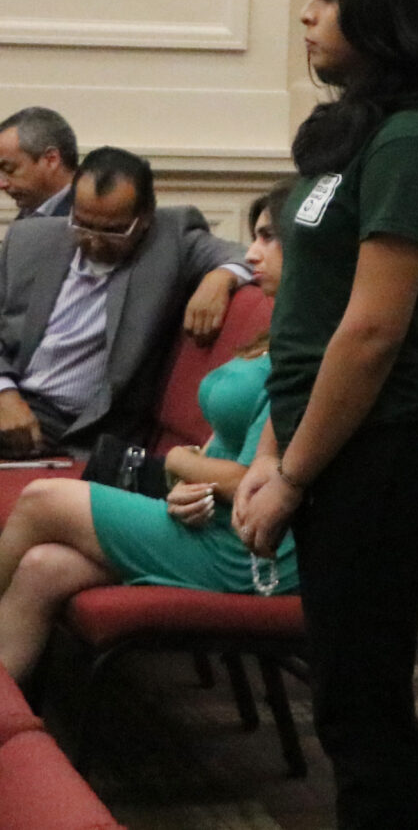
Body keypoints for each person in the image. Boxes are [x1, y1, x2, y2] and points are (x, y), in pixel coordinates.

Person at [233, 0, 418, 830]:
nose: (307, 15)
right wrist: (270, 443)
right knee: (346, 698)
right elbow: (306, 321)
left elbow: (372, 331)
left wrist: (293, 474)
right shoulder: (364, 130)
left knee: (364, 706)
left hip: (384, 448)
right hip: (333, 437)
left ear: (386, 11)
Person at [0, 177, 300, 680]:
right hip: (208, 517)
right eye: (255, 235)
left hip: (249, 553)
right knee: (42, 569)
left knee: (41, 500)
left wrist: (181, 464)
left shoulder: (314, 348)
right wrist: (187, 485)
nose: (252, 252)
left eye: (270, 237)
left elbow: (257, 481)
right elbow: (232, 451)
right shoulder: (284, 326)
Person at [0, 148, 250, 455]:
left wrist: (221, 277)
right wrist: (5, 394)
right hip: (17, 399)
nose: (93, 240)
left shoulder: (171, 238)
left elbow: (246, 257)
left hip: (90, 431)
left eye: (113, 230)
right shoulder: (29, 240)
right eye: (82, 224)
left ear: (144, 218)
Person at [0, 108, 77, 219]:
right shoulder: (31, 211)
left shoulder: (84, 220)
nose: (1, 184)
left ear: (51, 160)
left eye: (9, 169)